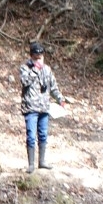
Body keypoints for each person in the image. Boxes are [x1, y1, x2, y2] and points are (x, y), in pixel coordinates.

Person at [19, 42, 68, 173]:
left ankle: (42, 161)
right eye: (36, 57)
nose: (39, 60)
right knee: (31, 135)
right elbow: (24, 82)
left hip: (44, 107)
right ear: (31, 57)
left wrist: (61, 99)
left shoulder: (47, 69)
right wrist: (35, 69)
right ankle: (31, 164)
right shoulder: (25, 68)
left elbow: (53, 87)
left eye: (40, 57)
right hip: (31, 107)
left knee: (43, 135)